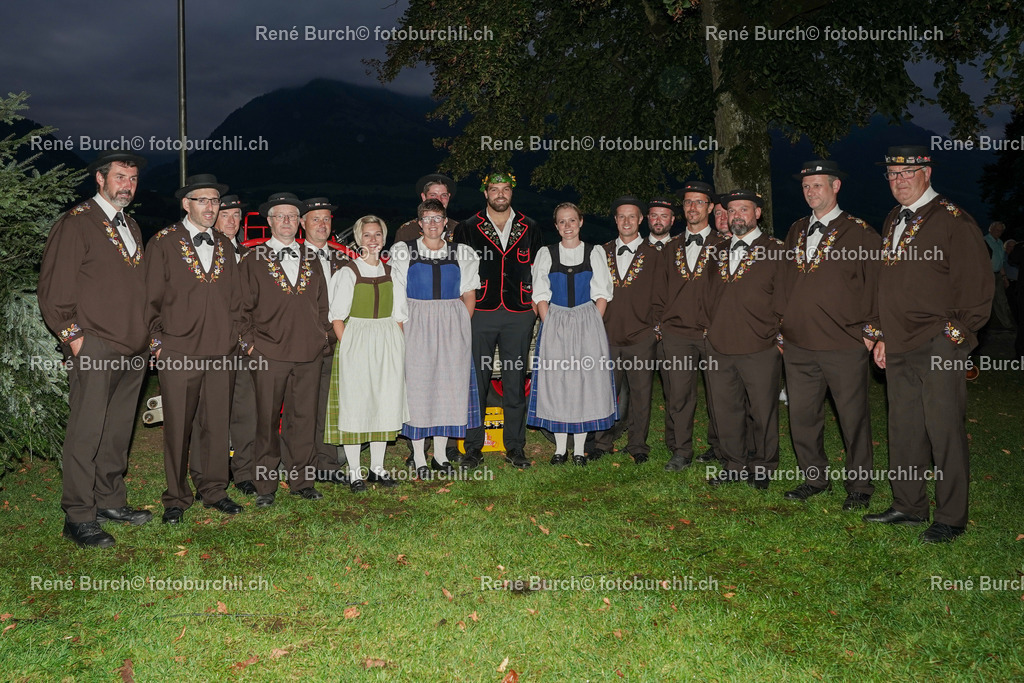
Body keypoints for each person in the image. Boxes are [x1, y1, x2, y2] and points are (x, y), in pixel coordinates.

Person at [865, 145, 993, 543]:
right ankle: (908, 505)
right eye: (892, 174)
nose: (898, 180)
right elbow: (890, 285)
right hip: (898, 344)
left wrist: (952, 341)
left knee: (944, 431)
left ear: (926, 172)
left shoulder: (954, 221)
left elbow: (977, 291)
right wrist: (882, 334)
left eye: (906, 172)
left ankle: (951, 517)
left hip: (937, 345)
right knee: (904, 430)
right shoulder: (892, 219)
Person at [38, 148, 152, 548]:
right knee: (86, 432)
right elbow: (53, 288)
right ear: (99, 179)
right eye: (120, 176)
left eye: (133, 178)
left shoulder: (132, 225)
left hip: (133, 347)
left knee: (118, 430)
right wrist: (75, 338)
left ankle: (110, 501)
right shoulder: (77, 223)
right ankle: (79, 515)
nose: (128, 185)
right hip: (96, 345)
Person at [777, 160, 880, 510]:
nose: (811, 192)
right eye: (806, 186)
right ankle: (814, 477)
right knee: (803, 416)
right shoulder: (795, 230)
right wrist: (781, 327)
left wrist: (871, 332)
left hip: (843, 344)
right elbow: (785, 282)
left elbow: (879, 285)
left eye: (818, 185)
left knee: (853, 419)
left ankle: (860, 487)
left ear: (836, 187)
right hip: (799, 344)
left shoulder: (861, 232)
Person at [146, 174, 243, 524]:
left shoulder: (224, 244)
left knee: (216, 424)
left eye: (215, 201)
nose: (211, 207)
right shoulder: (163, 242)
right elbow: (150, 298)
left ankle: (214, 489)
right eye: (203, 200)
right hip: (178, 349)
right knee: (178, 427)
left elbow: (236, 301)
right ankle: (175, 497)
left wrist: (235, 338)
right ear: (186, 204)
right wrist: (157, 343)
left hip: (221, 351)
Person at [238, 192, 331, 507]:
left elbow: (322, 307)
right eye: (281, 216)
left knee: (303, 419)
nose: (287, 221)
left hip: (308, 354)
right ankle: (265, 486)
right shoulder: (252, 259)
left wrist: (322, 338)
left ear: (299, 222)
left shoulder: (313, 259)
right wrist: (250, 346)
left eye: (293, 216)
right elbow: (240, 309)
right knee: (265, 422)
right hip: (268, 355)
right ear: (270, 221)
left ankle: (302, 480)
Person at [455, 171, 542, 469]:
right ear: (485, 192)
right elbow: (459, 272)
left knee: (515, 382)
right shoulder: (468, 227)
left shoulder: (530, 226)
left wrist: (532, 306)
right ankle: (473, 447)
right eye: (495, 189)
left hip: (519, 313)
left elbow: (538, 269)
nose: (500, 194)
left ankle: (515, 446)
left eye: (506, 189)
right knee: (476, 381)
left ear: (512, 192)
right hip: (481, 311)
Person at [701, 189, 785, 489]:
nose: (737, 215)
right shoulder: (718, 252)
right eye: (732, 210)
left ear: (757, 213)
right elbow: (707, 296)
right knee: (726, 410)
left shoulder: (776, 250)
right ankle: (734, 464)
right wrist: (709, 330)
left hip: (760, 347)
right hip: (720, 346)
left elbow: (785, 298)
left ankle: (763, 467)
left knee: (762, 411)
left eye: (744, 209)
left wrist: (778, 338)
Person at [391, 199, 481, 479]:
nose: (432, 224)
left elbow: (468, 293)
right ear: (419, 223)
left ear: (445, 222)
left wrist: (459, 325)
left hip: (451, 323)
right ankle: (419, 456)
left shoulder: (461, 252)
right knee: (418, 390)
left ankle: (440, 455)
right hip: (415, 321)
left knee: (449, 388)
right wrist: (403, 330)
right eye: (427, 218)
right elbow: (397, 293)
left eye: (437, 218)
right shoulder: (403, 251)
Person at [527, 203, 616, 465]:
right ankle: (559, 448)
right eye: (562, 222)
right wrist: (550, 322)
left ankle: (579, 449)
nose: (567, 226)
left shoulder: (594, 252)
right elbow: (540, 293)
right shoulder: (546, 253)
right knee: (557, 382)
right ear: (556, 226)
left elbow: (602, 293)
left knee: (584, 383)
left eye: (572, 221)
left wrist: (590, 323)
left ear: (580, 222)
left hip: (586, 321)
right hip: (555, 321)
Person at [325, 216, 408, 492]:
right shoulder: (348, 273)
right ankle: (354, 471)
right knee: (356, 405)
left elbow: (399, 316)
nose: (373, 240)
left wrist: (396, 347)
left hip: (386, 340)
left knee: (383, 402)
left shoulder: (392, 272)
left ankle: (377, 468)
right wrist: (349, 347)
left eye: (378, 235)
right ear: (359, 239)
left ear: (384, 238)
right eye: (367, 235)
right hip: (356, 340)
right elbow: (337, 318)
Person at [591, 195, 664, 464]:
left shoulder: (656, 254)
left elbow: (662, 294)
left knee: (641, 395)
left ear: (641, 219)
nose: (626, 221)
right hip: (607, 336)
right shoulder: (601, 251)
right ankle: (602, 442)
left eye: (632, 216)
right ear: (615, 220)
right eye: (621, 216)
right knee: (606, 393)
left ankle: (638, 446)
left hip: (641, 337)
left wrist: (655, 329)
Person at [661, 181, 726, 471]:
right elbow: (658, 291)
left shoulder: (724, 246)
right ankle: (681, 450)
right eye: (688, 202)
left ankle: (721, 446)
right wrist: (660, 323)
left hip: (713, 334)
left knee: (720, 394)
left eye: (699, 202)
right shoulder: (670, 247)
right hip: (676, 334)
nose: (693, 207)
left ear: (710, 207)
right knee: (679, 395)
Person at [205, 195, 257, 495]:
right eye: (226, 214)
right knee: (213, 412)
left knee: (245, 411)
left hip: (245, 347)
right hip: (215, 344)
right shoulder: (204, 250)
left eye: (237, 215)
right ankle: (213, 472)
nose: (232, 221)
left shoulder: (249, 254)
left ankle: (245, 471)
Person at [298, 197, 351, 485]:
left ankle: (327, 464)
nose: (322, 224)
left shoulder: (343, 259)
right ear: (302, 223)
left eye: (327, 219)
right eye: (315, 219)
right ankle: (300, 463)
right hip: (302, 343)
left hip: (334, 342)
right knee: (301, 408)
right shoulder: (291, 256)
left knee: (330, 406)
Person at [393, 173, 459, 243]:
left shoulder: (459, 229)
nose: (439, 199)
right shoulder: (407, 231)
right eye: (433, 195)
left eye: (444, 195)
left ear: (448, 197)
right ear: (424, 197)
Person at [984, 222, 1015, 330]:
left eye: (1001, 231)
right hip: (987, 275)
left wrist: (1004, 277)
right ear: (990, 230)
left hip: (997, 275)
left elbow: (1000, 262)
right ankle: (982, 326)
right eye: (997, 230)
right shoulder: (984, 241)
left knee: (1001, 299)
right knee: (986, 301)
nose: (999, 232)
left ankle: (1007, 324)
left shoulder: (1000, 242)